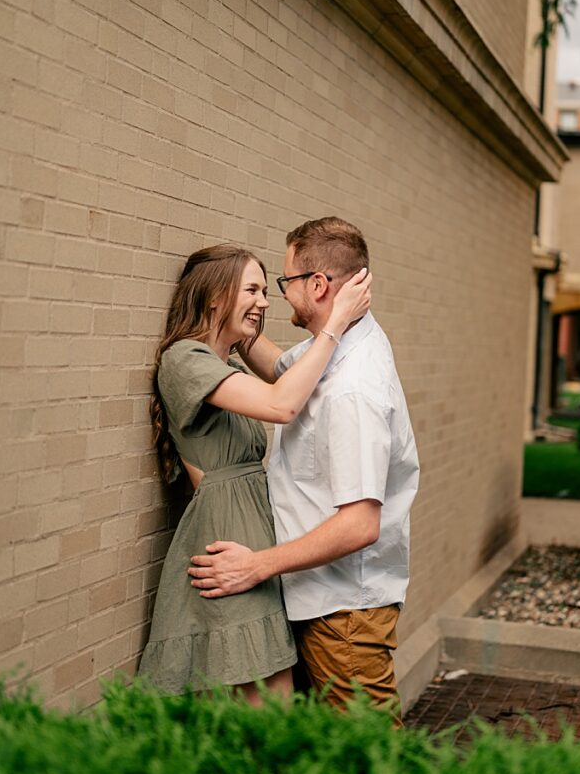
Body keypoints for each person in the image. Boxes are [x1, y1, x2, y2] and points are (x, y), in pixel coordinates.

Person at [187, 218, 419, 722]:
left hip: (343, 614)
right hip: (319, 600)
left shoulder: (354, 389)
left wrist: (257, 565)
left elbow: (361, 523)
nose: (278, 296)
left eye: (286, 282)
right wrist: (233, 321)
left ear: (318, 286)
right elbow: (282, 376)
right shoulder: (338, 351)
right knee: (327, 757)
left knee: (372, 757)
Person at [138, 244, 371, 702]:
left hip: (254, 536)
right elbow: (282, 403)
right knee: (270, 699)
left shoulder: (225, 362)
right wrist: (337, 324)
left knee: (260, 697)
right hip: (227, 535)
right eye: (253, 290)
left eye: (266, 290)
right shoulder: (185, 360)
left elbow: (298, 377)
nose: (265, 301)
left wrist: (244, 332)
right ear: (215, 297)